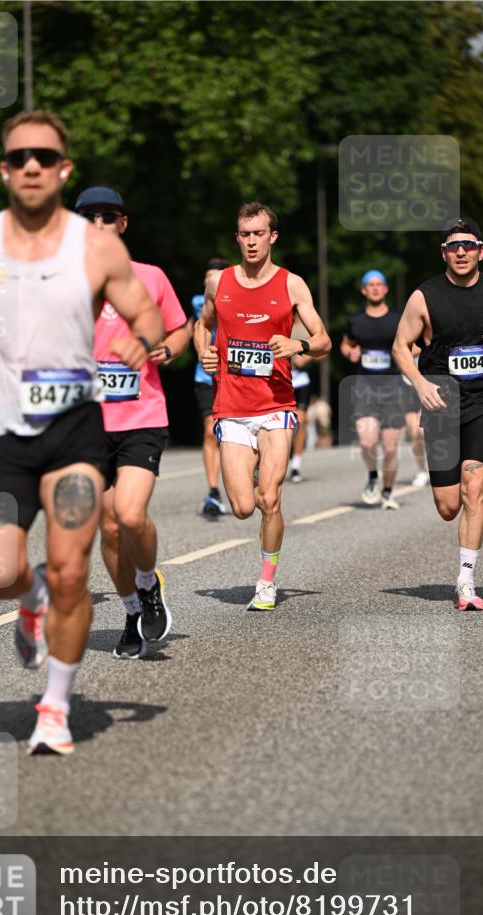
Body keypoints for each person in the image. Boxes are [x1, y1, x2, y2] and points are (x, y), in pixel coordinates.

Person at [0, 110, 164, 754]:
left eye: (44, 155)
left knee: (70, 573)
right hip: (2, 436)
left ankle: (54, 707)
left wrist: (146, 342)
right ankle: (26, 598)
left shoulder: (97, 248)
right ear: (5, 170)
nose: (31, 165)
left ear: (63, 169)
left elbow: (144, 310)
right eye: (19, 156)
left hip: (74, 438)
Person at [195, 201, 331, 610]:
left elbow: (323, 340)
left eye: (258, 234)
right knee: (241, 507)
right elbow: (201, 325)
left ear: (272, 236)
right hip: (233, 408)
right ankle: (251, 466)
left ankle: (267, 581)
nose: (251, 242)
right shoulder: (219, 283)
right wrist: (204, 353)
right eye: (244, 234)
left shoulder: (292, 285)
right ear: (237, 238)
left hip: (276, 406)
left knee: (269, 498)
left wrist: (298, 344)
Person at [393, 217, 483, 611]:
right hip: (441, 403)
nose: (461, 251)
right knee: (448, 505)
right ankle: (461, 557)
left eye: (468, 245)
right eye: (454, 246)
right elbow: (401, 347)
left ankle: (466, 582)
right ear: (444, 254)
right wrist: (420, 384)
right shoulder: (424, 298)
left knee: (475, 484)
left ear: (480, 251)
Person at [74, 185, 188, 659]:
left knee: (131, 514)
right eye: (89, 216)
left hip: (142, 415)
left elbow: (181, 329)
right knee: (109, 529)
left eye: (108, 215)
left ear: (123, 224)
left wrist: (169, 348)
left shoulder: (150, 278)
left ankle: (148, 585)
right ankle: (129, 612)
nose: (99, 223)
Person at [341, 270, 407, 510]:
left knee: (390, 447)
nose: (376, 288)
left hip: (393, 389)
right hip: (365, 388)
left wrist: (403, 355)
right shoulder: (356, 320)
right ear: (364, 290)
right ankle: (372, 476)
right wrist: (351, 352)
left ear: (386, 289)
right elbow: (345, 344)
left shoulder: (399, 319)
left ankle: (388, 492)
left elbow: (417, 345)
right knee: (367, 443)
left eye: (380, 284)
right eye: (371, 285)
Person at [188, 258, 230, 517]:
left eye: (214, 276)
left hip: (236, 376)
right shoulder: (196, 302)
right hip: (206, 377)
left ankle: (252, 472)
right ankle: (213, 491)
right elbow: (195, 327)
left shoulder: (240, 300)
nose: (208, 281)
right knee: (209, 431)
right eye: (207, 276)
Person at [288, 318, 315, 483]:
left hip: (300, 380)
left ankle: (296, 464)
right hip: (277, 378)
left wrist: (308, 357)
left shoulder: (307, 324)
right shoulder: (274, 317)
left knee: (301, 420)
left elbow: (324, 350)